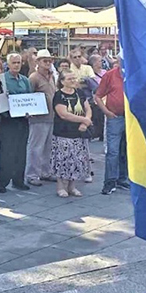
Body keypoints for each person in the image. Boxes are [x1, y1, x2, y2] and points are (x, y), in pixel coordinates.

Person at [52, 70, 91, 198]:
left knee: (76, 160)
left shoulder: (80, 93)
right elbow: (63, 114)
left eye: (74, 78)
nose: (73, 81)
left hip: (79, 133)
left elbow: (88, 109)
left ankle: (72, 186)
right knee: (62, 160)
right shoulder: (59, 95)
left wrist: (85, 122)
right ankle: (60, 187)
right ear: (62, 81)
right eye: (70, 79)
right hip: (63, 133)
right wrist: (83, 119)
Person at [0, 53, 32, 193]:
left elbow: (30, 97)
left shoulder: (25, 80)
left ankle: (19, 180)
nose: (17, 65)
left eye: (19, 62)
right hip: (7, 120)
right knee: (7, 151)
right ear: (8, 64)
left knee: (21, 151)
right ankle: (3, 182)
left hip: (22, 120)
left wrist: (30, 110)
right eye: (14, 63)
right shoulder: (1, 80)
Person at [95, 61, 128, 195]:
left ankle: (122, 178)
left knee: (126, 150)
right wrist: (107, 112)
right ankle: (109, 181)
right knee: (113, 151)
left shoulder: (135, 73)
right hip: (115, 117)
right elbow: (97, 96)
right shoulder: (110, 75)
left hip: (131, 118)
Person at [26, 49, 57, 186]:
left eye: (49, 60)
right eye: (45, 60)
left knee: (48, 147)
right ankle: (32, 175)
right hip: (38, 117)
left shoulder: (52, 76)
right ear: (38, 62)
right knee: (36, 147)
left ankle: (45, 172)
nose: (48, 63)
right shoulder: (34, 77)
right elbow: (28, 96)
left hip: (51, 116)